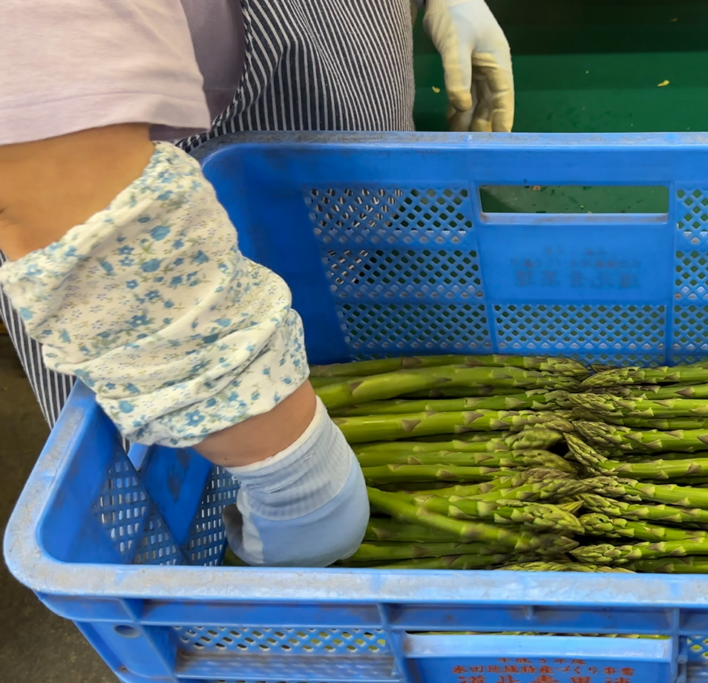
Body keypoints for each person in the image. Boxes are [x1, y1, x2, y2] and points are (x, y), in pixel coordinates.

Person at [0, 0, 514, 567]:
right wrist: (294, 474)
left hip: (352, 153)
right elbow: (56, 182)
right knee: (164, 485)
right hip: (167, 309)